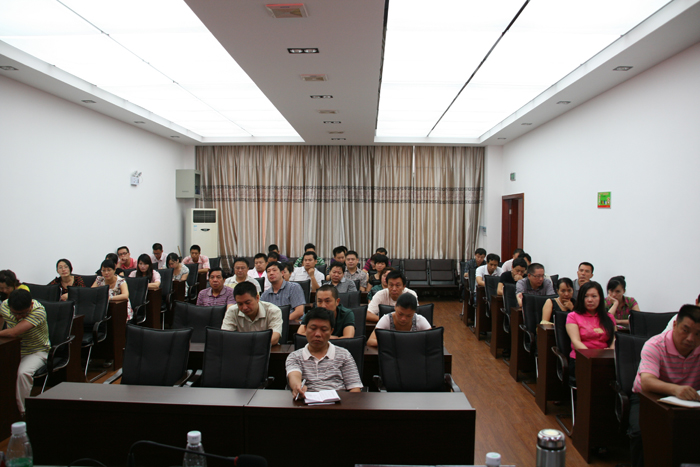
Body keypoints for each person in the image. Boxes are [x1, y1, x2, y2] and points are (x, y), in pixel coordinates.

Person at [629, 304, 700, 467]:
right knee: (641, 433)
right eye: (685, 330)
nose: (691, 338)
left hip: (690, 402)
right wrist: (675, 389)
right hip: (648, 398)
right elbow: (647, 382)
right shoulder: (655, 345)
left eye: (698, 334)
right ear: (675, 325)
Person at [286, 307, 363, 398]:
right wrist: (297, 386)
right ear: (305, 329)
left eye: (324, 330)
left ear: (331, 331)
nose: (318, 334)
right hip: (306, 403)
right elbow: (294, 375)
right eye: (313, 328)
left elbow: (355, 388)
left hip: (339, 403)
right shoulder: (295, 356)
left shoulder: (344, 355)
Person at [0, 289, 50, 415]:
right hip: (12, 350)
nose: (18, 317)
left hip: (36, 351)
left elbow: (14, 332)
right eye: (14, 313)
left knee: (23, 373)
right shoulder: (5, 305)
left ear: (31, 305)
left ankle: (22, 413)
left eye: (22, 313)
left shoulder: (38, 311)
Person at [565, 281, 617, 384]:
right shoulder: (573, 316)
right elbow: (576, 341)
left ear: (600, 298)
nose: (590, 300)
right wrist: (593, 358)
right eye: (586, 296)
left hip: (605, 359)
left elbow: (615, 339)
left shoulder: (609, 317)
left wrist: (610, 352)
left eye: (594, 296)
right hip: (582, 360)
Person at [367, 293, 431, 347]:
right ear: (395, 306)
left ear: (414, 312)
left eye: (409, 316)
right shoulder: (386, 319)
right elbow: (370, 341)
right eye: (400, 314)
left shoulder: (420, 320)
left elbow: (432, 341)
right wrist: (394, 343)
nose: (403, 319)